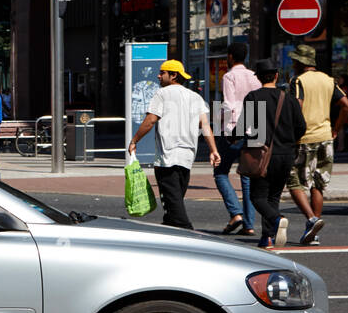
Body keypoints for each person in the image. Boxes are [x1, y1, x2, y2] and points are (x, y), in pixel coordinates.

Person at [127, 59, 220, 230]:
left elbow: (151, 120)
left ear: (173, 75)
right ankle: (170, 230)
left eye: (162, 72)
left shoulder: (161, 94)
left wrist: (134, 140)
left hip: (167, 156)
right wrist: (213, 150)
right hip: (187, 156)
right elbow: (205, 126)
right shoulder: (196, 97)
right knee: (174, 201)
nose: (159, 75)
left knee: (173, 202)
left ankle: (187, 232)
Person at [238, 58, 306, 248]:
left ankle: (276, 220)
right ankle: (267, 237)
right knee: (273, 197)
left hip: (262, 153)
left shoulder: (253, 97)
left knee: (257, 197)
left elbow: (245, 125)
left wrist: (231, 137)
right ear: (276, 76)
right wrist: (288, 139)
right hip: (285, 154)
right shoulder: (289, 99)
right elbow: (301, 127)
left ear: (258, 78)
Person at [286, 43, 348, 245]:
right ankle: (314, 232)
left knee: (293, 180)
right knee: (318, 184)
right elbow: (346, 105)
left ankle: (312, 219)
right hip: (325, 137)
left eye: (295, 60)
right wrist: (336, 129)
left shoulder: (298, 81)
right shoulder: (328, 80)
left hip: (304, 138)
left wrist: (291, 132)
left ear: (299, 62)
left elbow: (297, 106)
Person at [216, 42, 259, 235]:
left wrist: (225, 128)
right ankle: (249, 225)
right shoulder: (254, 77)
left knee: (220, 171)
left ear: (231, 56)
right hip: (256, 129)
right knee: (248, 177)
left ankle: (236, 213)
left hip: (235, 129)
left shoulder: (229, 76)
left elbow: (228, 104)